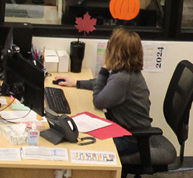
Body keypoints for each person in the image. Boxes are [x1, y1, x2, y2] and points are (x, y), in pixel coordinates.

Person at [53, 28, 151, 156]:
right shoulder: (126, 71)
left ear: (115, 51)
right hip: (123, 128)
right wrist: (77, 83)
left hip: (130, 139)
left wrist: (104, 69)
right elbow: (106, 85)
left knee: (81, 145)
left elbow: (98, 102)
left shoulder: (123, 78)